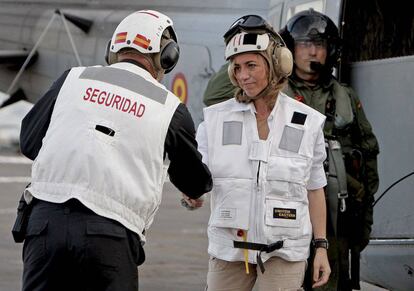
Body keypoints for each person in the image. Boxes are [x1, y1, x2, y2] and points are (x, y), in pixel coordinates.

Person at [17, 10, 212, 291]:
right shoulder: (170, 108)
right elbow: (195, 181)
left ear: (114, 50)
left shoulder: (72, 79)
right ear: (166, 56)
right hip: (109, 237)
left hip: (44, 226)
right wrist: (195, 191)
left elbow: (29, 142)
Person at [202, 9, 380, 291]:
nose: (312, 53)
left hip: (324, 218)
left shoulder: (335, 101)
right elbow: (214, 96)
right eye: (304, 45)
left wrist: (360, 226)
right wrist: (259, 45)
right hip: (235, 244)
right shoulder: (237, 107)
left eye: (318, 46)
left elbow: (365, 157)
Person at [195, 15, 331, 291]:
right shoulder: (214, 120)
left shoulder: (307, 122)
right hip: (229, 251)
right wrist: (192, 195)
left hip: (285, 252)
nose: (243, 76)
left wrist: (321, 247)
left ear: (277, 64)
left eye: (251, 66)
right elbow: (199, 179)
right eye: (236, 67)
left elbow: (315, 189)